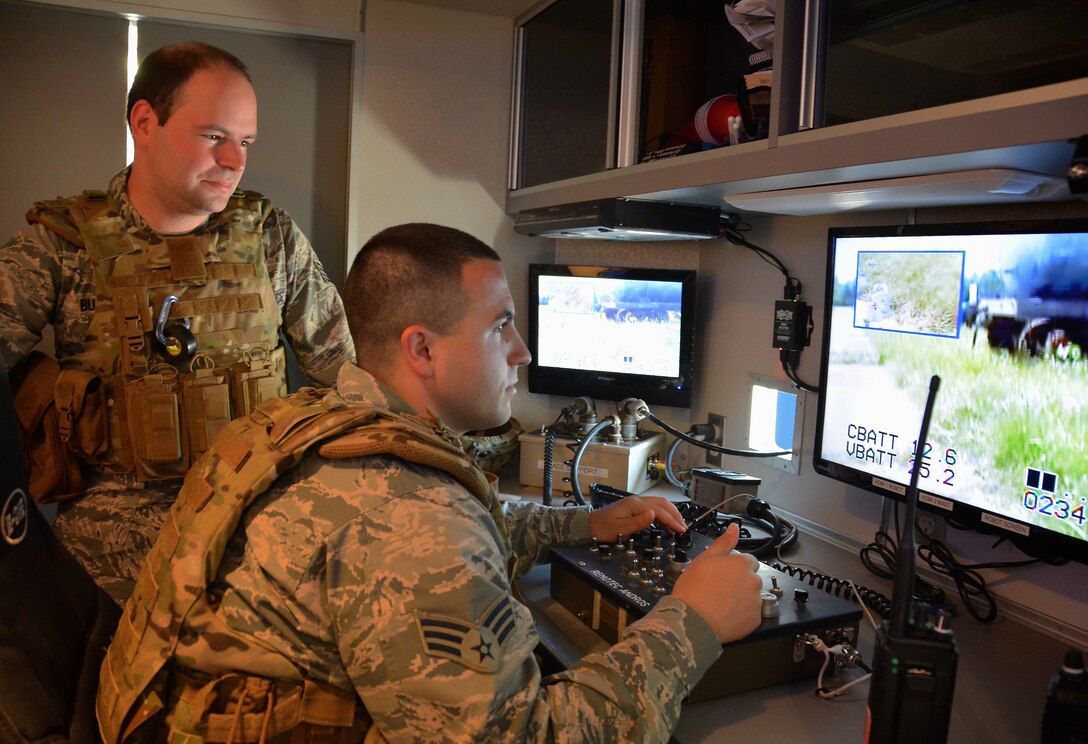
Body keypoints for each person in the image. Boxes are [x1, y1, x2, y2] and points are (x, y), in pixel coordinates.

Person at [96, 222, 764, 743]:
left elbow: (451, 528)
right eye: (501, 325)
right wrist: (694, 621)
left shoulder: (308, 420)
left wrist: (582, 525)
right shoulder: (404, 510)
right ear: (422, 350)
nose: (522, 352)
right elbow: (528, 737)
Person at [0, 42, 355, 603]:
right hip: (112, 559)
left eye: (245, 142)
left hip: (257, 535)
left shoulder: (268, 236)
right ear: (145, 122)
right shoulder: (62, 245)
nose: (236, 162)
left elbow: (346, 379)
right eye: (214, 137)